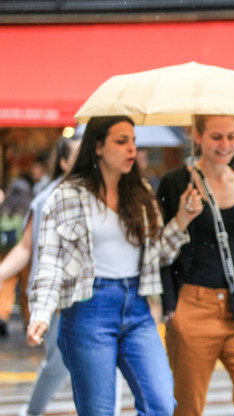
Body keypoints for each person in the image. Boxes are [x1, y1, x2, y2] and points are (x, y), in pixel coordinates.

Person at [27, 115, 203, 416]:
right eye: (121, 141)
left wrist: (183, 219)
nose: (132, 149)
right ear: (97, 147)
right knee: (99, 411)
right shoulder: (66, 196)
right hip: (88, 310)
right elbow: (51, 262)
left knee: (160, 403)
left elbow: (157, 255)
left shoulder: (141, 194)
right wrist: (41, 312)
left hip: (137, 308)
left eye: (133, 141)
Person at [157, 114, 234, 416]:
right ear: (198, 136)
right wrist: (171, 308)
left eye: (232, 136)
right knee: (187, 407)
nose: (225, 144)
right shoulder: (176, 182)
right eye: (216, 137)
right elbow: (159, 253)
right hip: (193, 307)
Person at [0, 134, 86, 416]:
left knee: (99, 366)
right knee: (59, 363)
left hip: (95, 298)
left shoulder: (104, 194)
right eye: (76, 155)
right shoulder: (46, 198)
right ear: (63, 162)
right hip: (56, 298)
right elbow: (26, 248)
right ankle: (32, 411)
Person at [0, 177, 34, 334]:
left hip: (5, 252)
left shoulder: (5, 207)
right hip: (25, 253)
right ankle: (29, 319)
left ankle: (2, 314)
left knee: (6, 286)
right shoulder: (29, 207)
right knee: (27, 287)